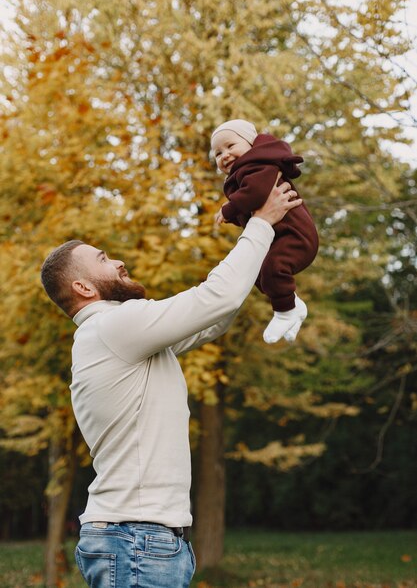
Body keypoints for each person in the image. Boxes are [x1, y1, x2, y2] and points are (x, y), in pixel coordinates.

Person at [40, 176, 301, 588]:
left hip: (142, 539)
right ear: (83, 286)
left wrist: (263, 252)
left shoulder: (122, 339)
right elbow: (215, 298)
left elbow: (214, 317)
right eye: (104, 258)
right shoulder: (114, 327)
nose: (119, 261)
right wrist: (262, 223)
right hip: (136, 540)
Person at [211, 119, 319, 344]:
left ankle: (284, 311)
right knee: (257, 274)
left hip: (295, 236)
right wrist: (236, 215)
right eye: (218, 153)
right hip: (280, 237)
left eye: (230, 146)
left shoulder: (259, 165)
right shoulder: (245, 172)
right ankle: (293, 306)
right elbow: (253, 210)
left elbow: (257, 193)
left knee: (273, 268)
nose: (224, 155)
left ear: (251, 144)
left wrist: (230, 209)